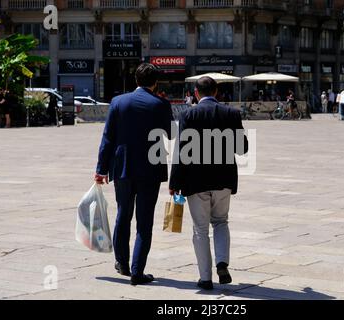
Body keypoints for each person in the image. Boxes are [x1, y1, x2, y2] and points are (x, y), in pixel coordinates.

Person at [94, 63, 173, 286]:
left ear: (135, 80)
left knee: (123, 214)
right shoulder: (160, 104)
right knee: (144, 221)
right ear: (155, 82)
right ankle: (138, 271)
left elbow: (108, 137)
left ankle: (121, 263)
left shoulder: (118, 102)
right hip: (150, 168)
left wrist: (101, 169)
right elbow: (169, 134)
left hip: (122, 167)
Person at [169, 76, 248, 290]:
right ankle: (222, 262)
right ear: (216, 92)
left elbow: (181, 151)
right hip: (223, 179)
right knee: (221, 222)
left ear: (196, 93)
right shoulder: (231, 114)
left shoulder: (188, 114)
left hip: (196, 181)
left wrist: (174, 181)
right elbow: (243, 148)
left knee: (200, 229)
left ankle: (205, 278)